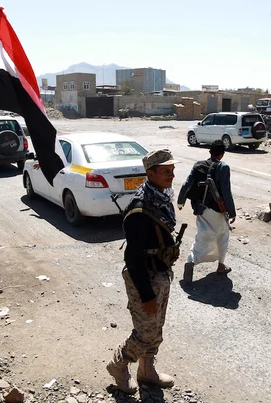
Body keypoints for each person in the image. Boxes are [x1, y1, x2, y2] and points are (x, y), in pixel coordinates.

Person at [107, 149, 179, 394]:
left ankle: (147, 371)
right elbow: (133, 257)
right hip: (144, 277)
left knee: (156, 328)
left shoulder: (161, 198)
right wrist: (146, 294)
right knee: (145, 332)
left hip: (161, 273)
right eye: (166, 171)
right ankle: (119, 365)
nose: (171, 175)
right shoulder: (140, 208)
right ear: (150, 174)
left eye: (172, 170)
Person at [177, 140, 236, 283]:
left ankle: (191, 261)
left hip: (200, 208)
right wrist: (232, 212)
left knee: (202, 235)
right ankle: (221, 265)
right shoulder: (223, 167)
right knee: (223, 236)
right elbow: (226, 191)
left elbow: (187, 184)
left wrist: (180, 201)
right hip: (217, 209)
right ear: (222, 154)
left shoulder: (198, 165)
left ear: (210, 151)